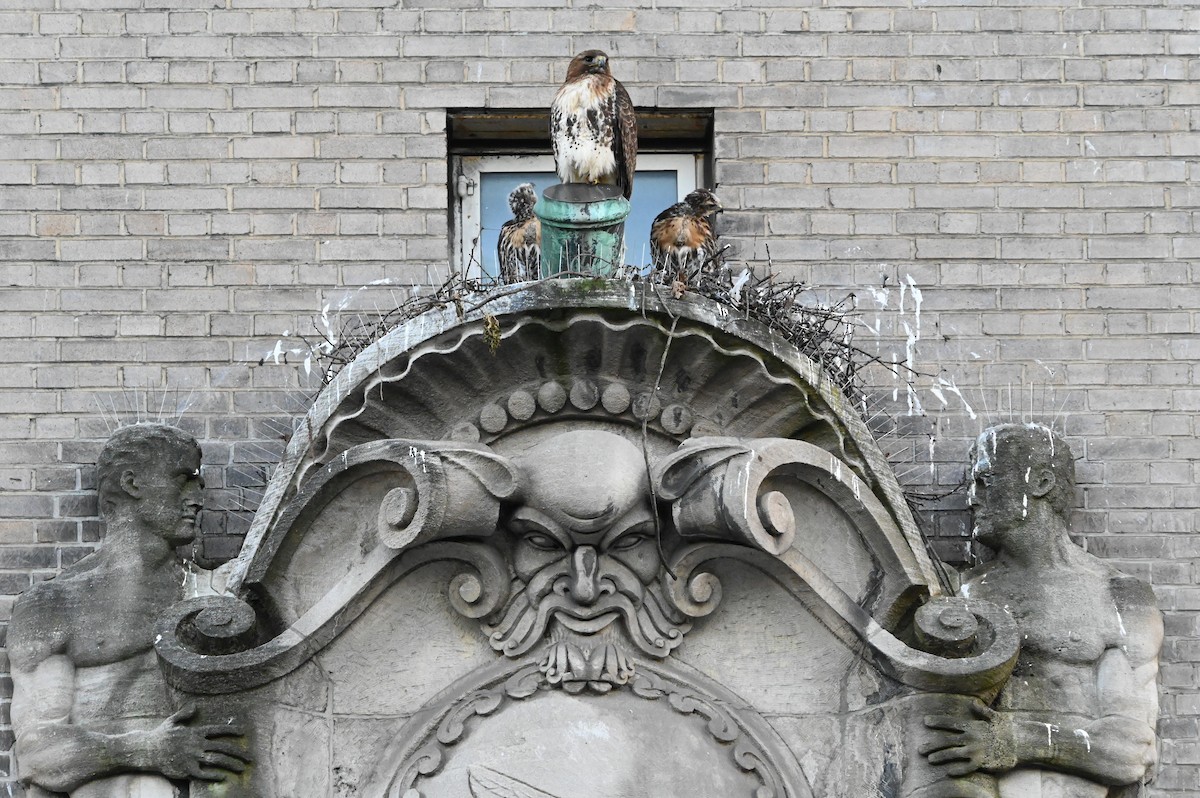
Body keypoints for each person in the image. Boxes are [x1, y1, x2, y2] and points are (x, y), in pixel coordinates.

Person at [9, 423, 250, 797]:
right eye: (184, 479)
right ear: (132, 484)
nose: (197, 498)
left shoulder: (217, 592)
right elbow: (37, 752)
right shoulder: (54, 605)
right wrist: (148, 750)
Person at [922, 423, 1162, 798]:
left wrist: (1017, 740)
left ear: (1040, 483)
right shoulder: (958, 592)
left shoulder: (1118, 596)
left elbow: (1133, 752)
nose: (972, 497)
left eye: (986, 481)